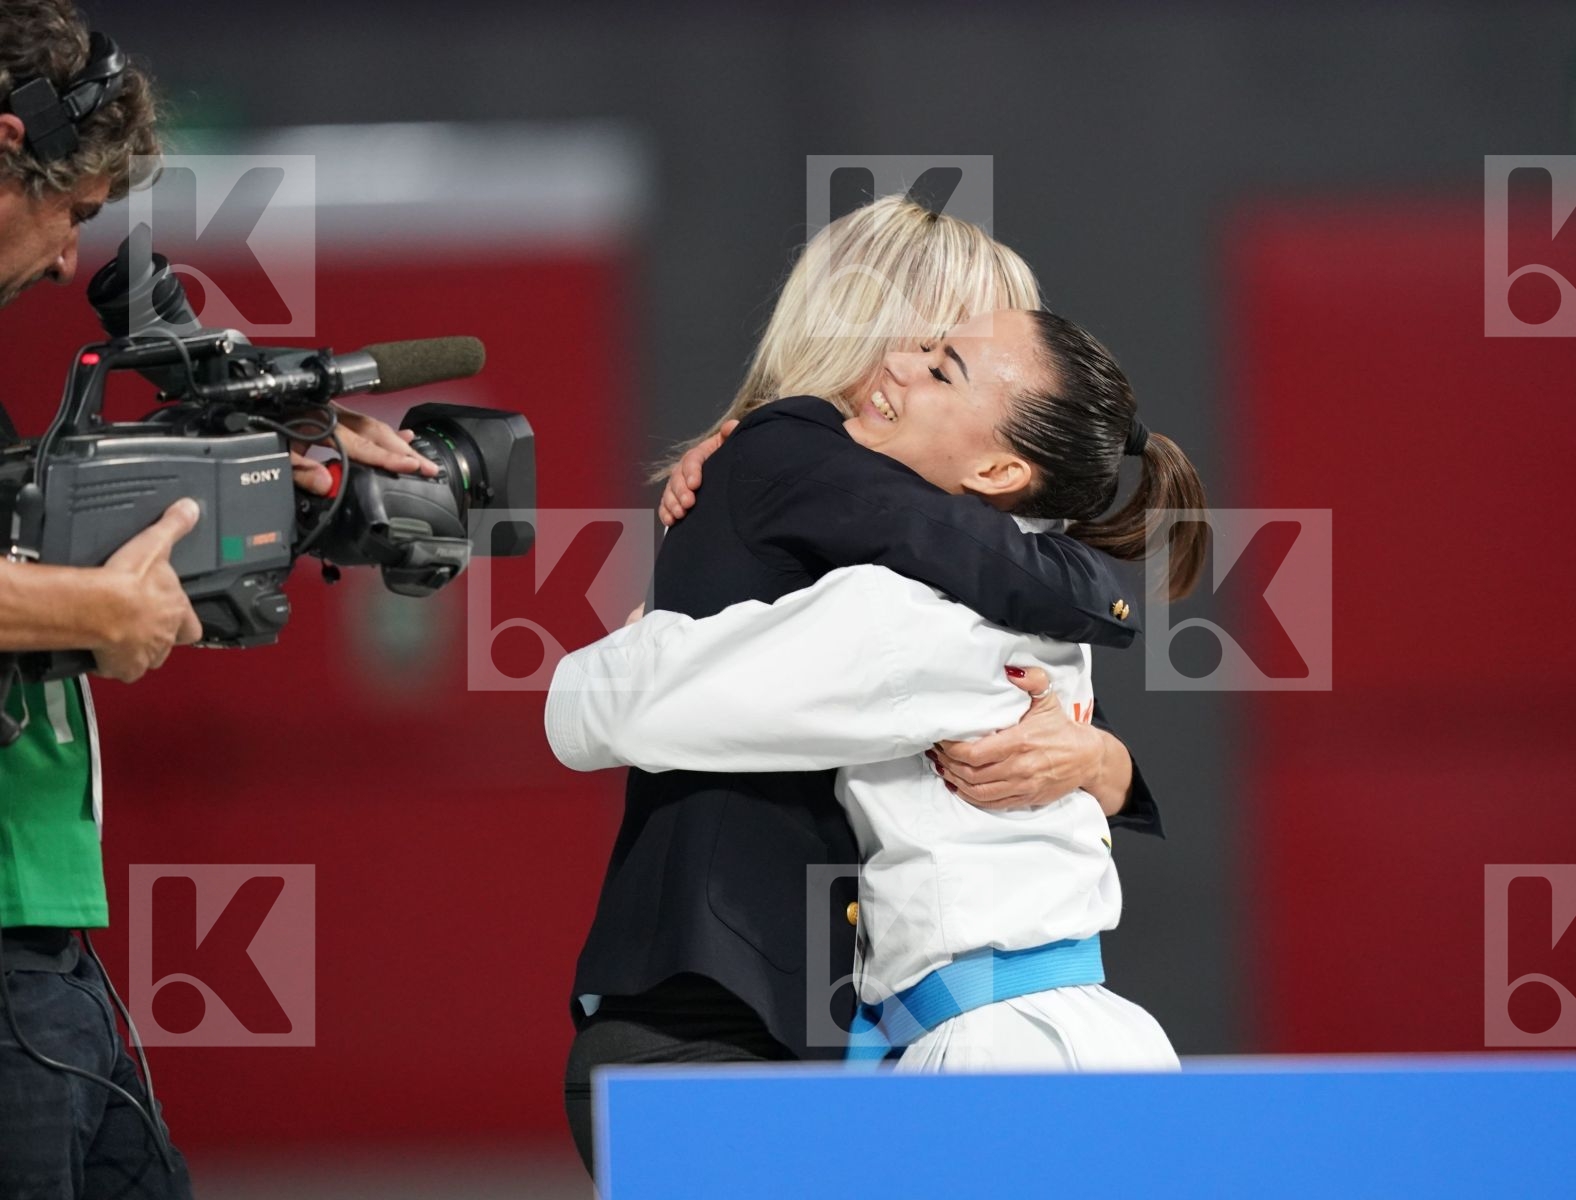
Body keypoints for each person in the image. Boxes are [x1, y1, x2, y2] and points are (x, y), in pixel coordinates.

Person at [555, 196, 1164, 1172]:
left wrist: (1103, 756)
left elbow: (596, 707)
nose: (910, 369)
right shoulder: (800, 464)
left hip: (877, 1041)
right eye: (933, 345)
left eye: (948, 363)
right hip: (724, 1027)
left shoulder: (932, 568)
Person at [0, 6, 435, 1194]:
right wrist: (96, 612)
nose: (60, 263)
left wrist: (245, 447)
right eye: (73, 216)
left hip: (43, 944)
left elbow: (30, 529)